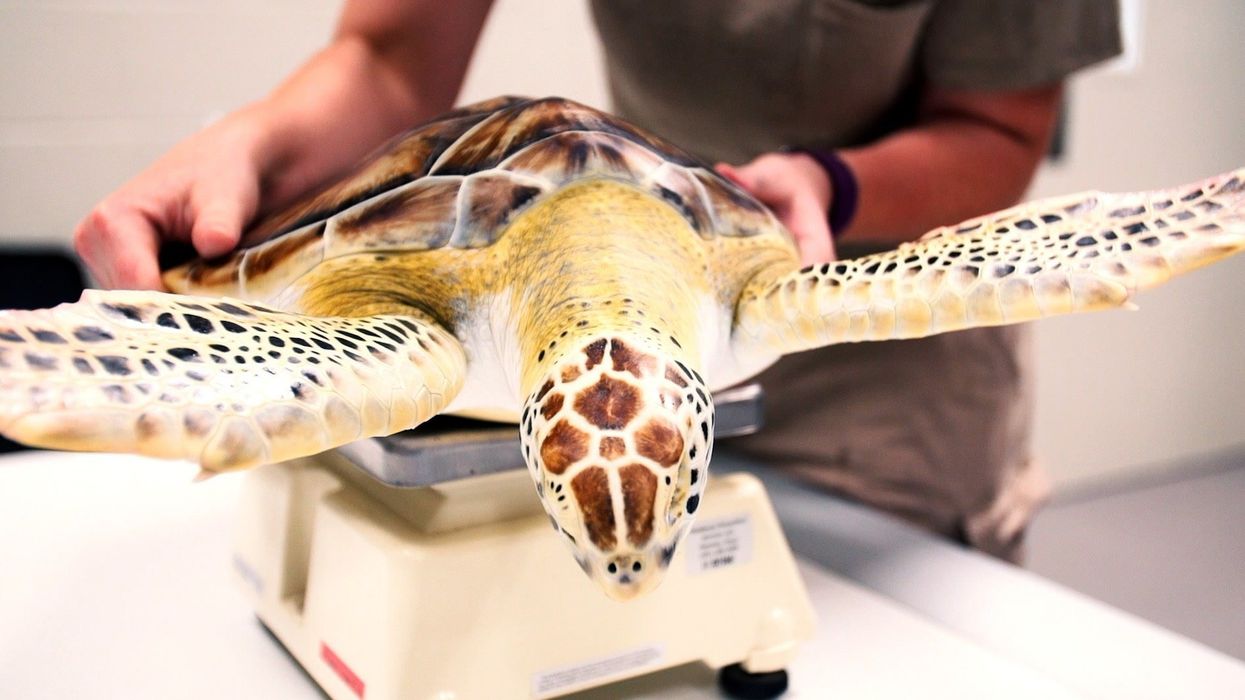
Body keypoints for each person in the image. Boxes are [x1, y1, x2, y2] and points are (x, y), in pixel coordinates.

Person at [73, 0, 1120, 562]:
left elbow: (1001, 128)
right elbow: (392, 52)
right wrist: (250, 141)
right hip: (561, 279)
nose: (626, 575)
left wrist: (827, 186)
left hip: (883, 408)